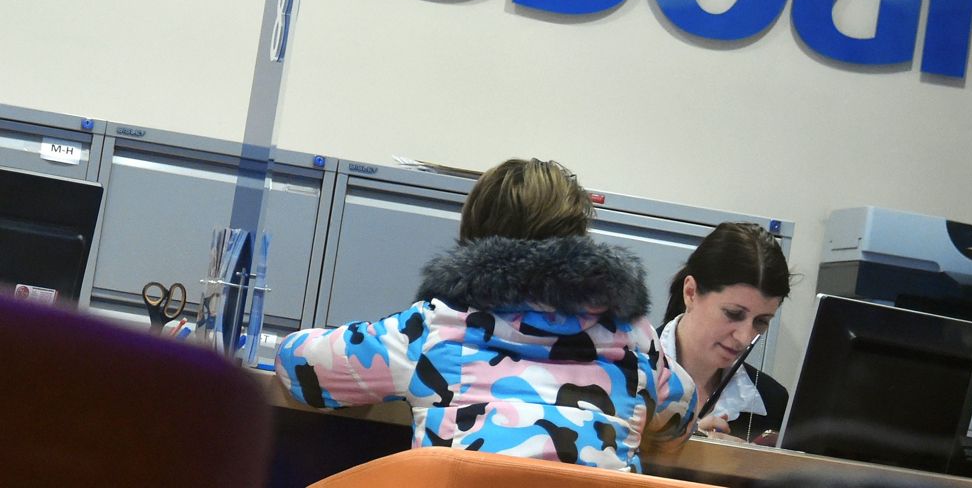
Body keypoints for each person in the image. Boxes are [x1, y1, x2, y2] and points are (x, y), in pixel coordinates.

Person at [275, 158, 696, 472]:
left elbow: (299, 368)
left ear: (474, 236)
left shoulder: (435, 326)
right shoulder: (635, 338)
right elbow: (683, 413)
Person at [661, 222, 793, 442]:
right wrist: (680, 444)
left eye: (761, 321)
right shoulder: (623, 368)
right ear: (690, 292)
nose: (744, 337)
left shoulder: (773, 401)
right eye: (733, 314)